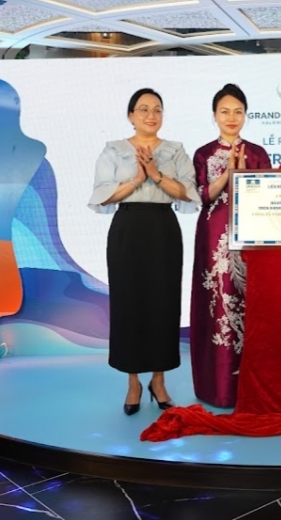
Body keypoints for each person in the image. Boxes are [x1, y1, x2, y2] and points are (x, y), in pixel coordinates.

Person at [88, 88, 198, 416]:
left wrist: (156, 175)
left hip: (163, 228)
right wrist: (137, 179)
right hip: (128, 228)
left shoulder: (175, 150)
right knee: (129, 304)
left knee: (164, 304)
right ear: (131, 115)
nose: (151, 115)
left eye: (157, 109)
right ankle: (133, 382)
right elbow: (102, 195)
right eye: (144, 109)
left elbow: (188, 193)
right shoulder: (114, 150)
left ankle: (159, 381)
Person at [190, 84, 272, 407]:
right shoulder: (204, 154)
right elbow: (202, 196)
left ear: (246, 115)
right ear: (214, 115)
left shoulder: (258, 153)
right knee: (218, 303)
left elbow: (268, 197)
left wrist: (245, 175)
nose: (231, 117)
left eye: (238, 111)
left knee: (252, 305)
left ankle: (252, 387)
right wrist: (228, 174)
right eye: (224, 111)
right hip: (214, 239)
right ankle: (218, 387)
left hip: (252, 238)